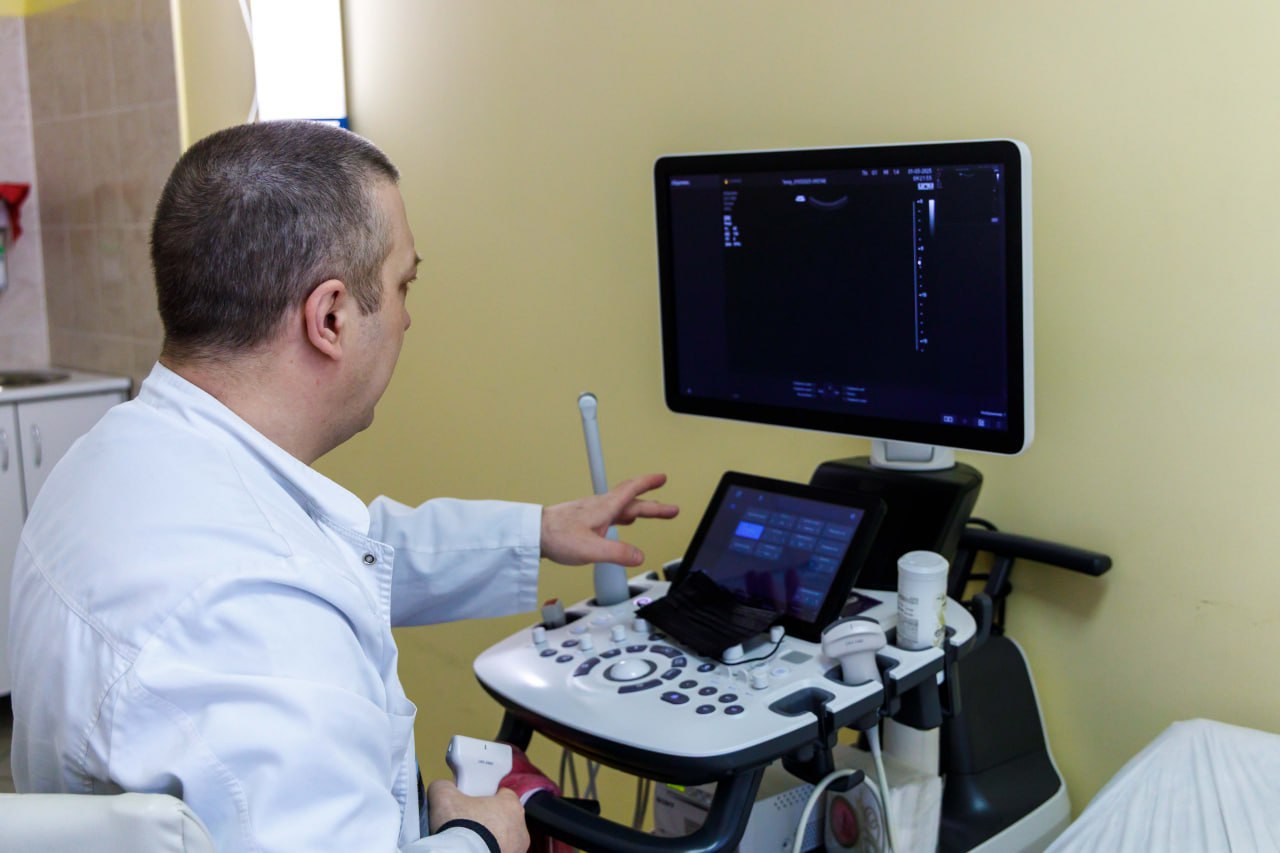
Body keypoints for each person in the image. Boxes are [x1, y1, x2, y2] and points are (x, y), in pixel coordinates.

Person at [6, 121, 678, 853]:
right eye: (402, 285)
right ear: (329, 317)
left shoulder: (118, 459)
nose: (407, 316)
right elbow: (287, 576)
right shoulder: (256, 620)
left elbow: (340, 547)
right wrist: (478, 836)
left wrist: (537, 531)